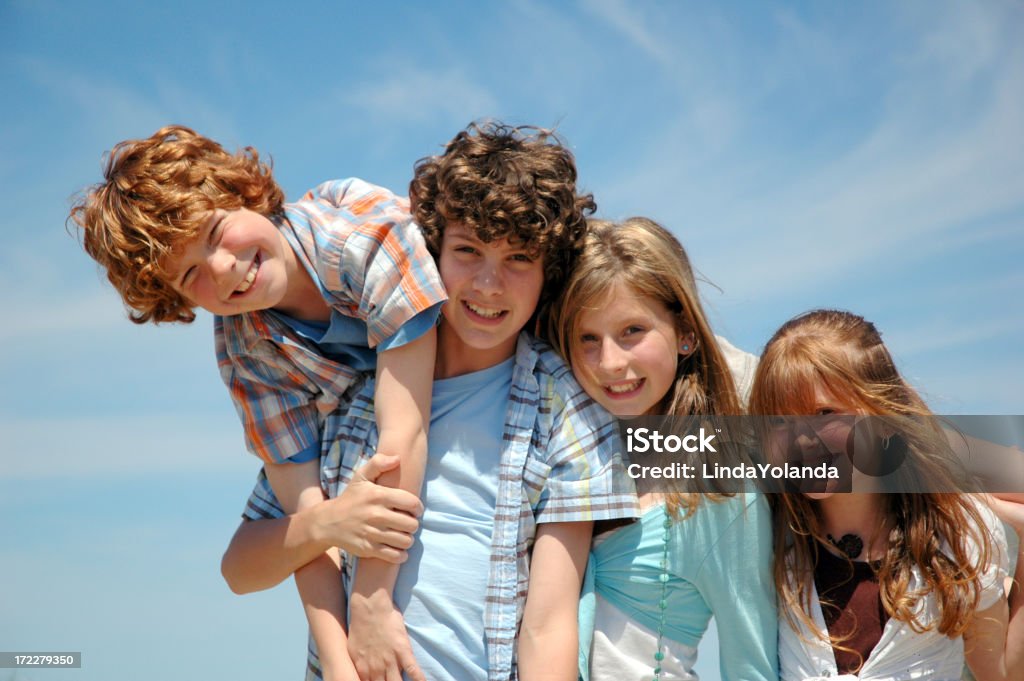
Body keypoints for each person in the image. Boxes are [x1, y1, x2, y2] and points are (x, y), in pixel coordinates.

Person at [221, 122, 639, 681]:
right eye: (467, 250)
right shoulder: (351, 399)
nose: (489, 284)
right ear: (430, 251)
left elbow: (548, 625)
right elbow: (240, 567)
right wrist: (327, 525)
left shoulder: (565, 409)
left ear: (550, 271)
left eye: (519, 258)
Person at [68, 125, 445, 679]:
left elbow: (402, 434)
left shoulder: (362, 240)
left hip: (417, 396)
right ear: (174, 299)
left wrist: (371, 604)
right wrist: (339, 662)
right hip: (343, 434)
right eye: (191, 273)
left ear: (245, 194)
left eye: (217, 231)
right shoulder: (246, 350)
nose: (222, 268)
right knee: (266, 546)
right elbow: (309, 517)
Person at [546, 217, 778, 681]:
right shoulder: (559, 451)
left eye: (633, 330)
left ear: (686, 333)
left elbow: (750, 658)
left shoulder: (722, 492)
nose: (610, 362)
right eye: (587, 338)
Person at [749, 309, 1024, 680]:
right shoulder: (767, 537)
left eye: (824, 412)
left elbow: (1003, 673)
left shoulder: (956, 535)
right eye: (779, 421)